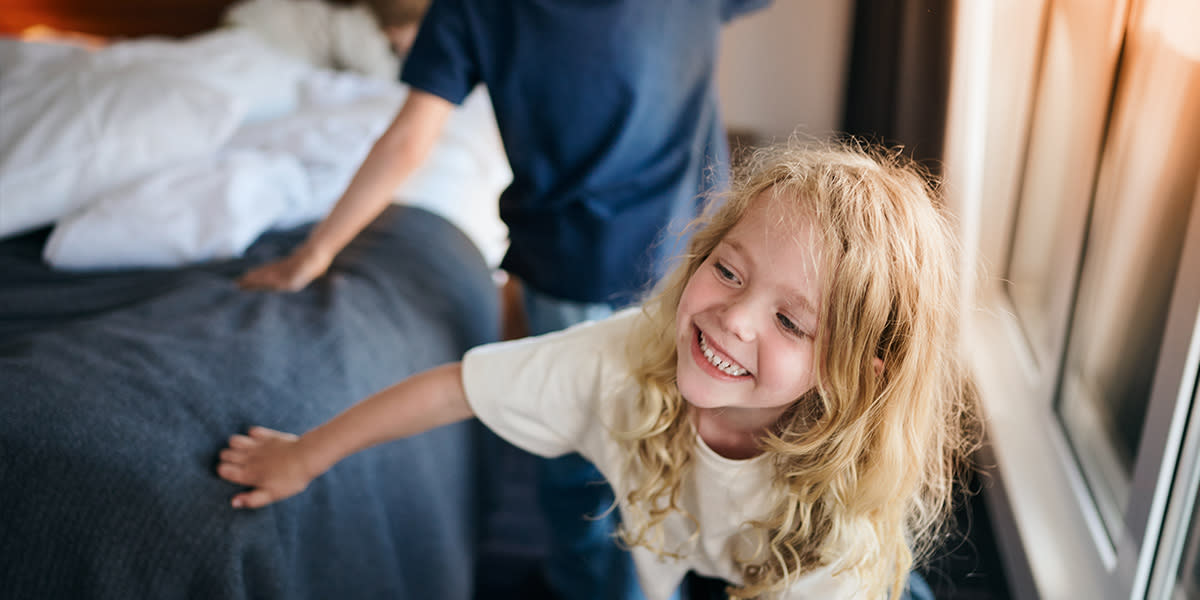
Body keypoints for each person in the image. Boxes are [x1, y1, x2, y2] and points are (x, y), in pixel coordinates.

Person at [217, 139, 983, 600]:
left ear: (857, 371)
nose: (734, 318)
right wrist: (303, 456)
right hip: (711, 562)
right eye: (728, 271)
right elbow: (459, 388)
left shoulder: (841, 523)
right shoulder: (625, 358)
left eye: (790, 320)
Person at [235, 1, 770, 598]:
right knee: (668, 461)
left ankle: (591, 582)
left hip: (595, 269)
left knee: (585, 469)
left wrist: (316, 253)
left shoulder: (470, 10)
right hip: (696, 265)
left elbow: (411, 139)